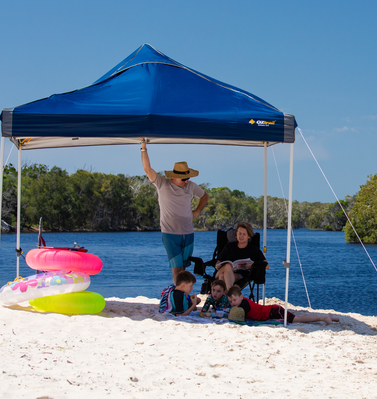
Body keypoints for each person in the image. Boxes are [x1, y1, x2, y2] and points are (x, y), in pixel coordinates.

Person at [141, 139, 210, 284]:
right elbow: (147, 169)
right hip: (170, 234)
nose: (186, 181)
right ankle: (177, 294)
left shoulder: (191, 186)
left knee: (184, 269)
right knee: (176, 269)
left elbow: (205, 196)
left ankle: (183, 294)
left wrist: (197, 211)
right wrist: (143, 147)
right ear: (174, 177)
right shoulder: (162, 184)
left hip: (188, 233)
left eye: (188, 178)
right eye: (183, 179)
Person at [226, 285, 339, 324]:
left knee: (297, 319)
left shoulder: (244, 305)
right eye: (230, 301)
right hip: (272, 310)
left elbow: (237, 317)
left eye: (234, 300)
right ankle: (329, 316)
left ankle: (323, 318)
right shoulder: (241, 304)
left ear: (241, 296)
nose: (233, 303)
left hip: (274, 312)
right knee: (296, 318)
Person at [214, 222, 267, 291]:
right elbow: (218, 263)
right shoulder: (229, 247)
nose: (241, 236)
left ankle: (227, 295)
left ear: (249, 236)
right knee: (227, 266)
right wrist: (220, 265)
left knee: (222, 277)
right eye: (239, 233)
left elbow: (266, 265)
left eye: (244, 234)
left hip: (239, 275)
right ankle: (231, 294)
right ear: (236, 234)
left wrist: (252, 265)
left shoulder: (253, 249)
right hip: (221, 271)